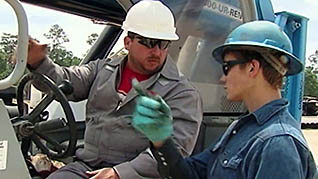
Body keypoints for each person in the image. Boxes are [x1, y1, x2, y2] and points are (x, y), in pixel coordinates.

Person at [24, 1, 203, 178]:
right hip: (87, 166)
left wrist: (121, 173)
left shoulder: (182, 93)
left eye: (163, 44)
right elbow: (65, 82)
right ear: (127, 42)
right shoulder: (102, 70)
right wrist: (39, 63)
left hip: (140, 175)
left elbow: (175, 151)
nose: (156, 51)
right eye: (148, 42)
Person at [132, 20, 317, 179]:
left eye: (227, 67)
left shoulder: (278, 144)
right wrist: (162, 141)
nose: (222, 78)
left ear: (252, 68)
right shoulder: (243, 129)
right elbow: (192, 174)